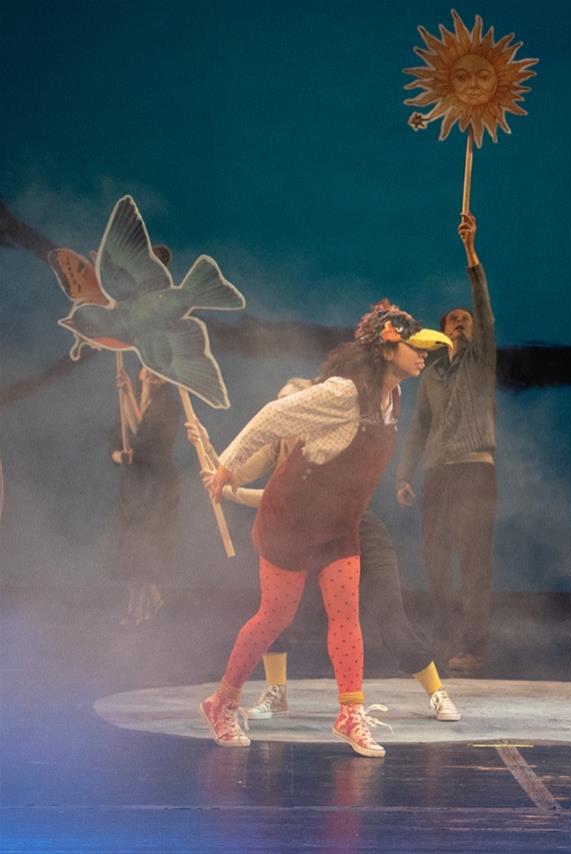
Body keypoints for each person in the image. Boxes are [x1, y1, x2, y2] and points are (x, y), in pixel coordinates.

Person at [200, 300, 447, 757]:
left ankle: (350, 713)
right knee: (274, 617)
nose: (422, 355)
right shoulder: (342, 393)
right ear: (386, 350)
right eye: (414, 347)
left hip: (338, 522)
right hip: (291, 520)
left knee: (346, 615)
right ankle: (222, 702)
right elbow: (272, 417)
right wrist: (227, 465)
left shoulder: (393, 396)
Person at [395, 213, 497, 674]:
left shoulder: (481, 361)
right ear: (441, 332)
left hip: (475, 470)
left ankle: (473, 646)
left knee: (473, 561)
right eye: (452, 319)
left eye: (465, 320)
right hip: (437, 473)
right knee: (436, 561)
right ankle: (444, 639)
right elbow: (417, 428)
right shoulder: (432, 375)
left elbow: (484, 309)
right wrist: (403, 475)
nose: (460, 322)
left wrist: (470, 252)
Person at [109, 365, 182, 626]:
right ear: (140, 372)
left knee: (143, 545)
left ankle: (139, 608)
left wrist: (128, 393)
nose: (151, 371)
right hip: (135, 486)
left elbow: (144, 435)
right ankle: (147, 599)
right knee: (132, 546)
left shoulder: (169, 407)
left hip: (157, 487)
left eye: (157, 368)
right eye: (146, 366)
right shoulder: (131, 404)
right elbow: (117, 444)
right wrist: (121, 456)